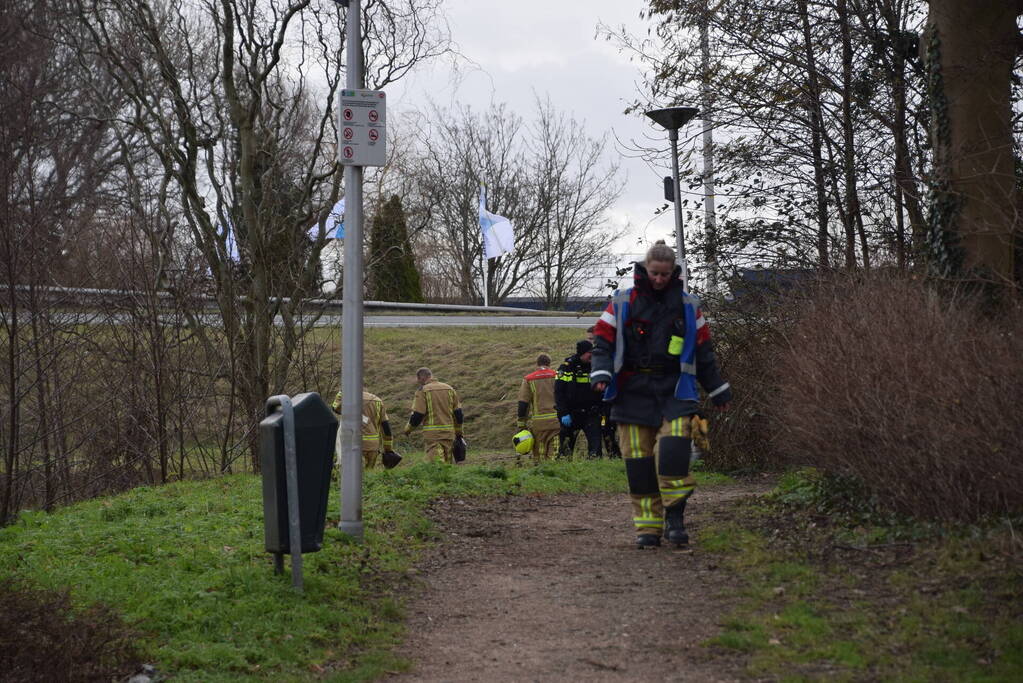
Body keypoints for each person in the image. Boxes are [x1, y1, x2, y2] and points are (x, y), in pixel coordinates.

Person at [590, 240, 732, 549]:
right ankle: (648, 529)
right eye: (654, 273)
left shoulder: (689, 306)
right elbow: (602, 342)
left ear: (673, 273)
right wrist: (601, 373)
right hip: (632, 392)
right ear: (645, 269)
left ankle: (675, 519)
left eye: (665, 274)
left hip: (676, 391)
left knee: (674, 456)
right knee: (638, 464)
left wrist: (718, 388)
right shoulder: (621, 302)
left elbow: (704, 352)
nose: (659, 280)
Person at [402, 367, 464, 464]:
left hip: (433, 435)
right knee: (447, 465)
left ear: (421, 378)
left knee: (435, 465)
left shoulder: (423, 390)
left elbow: (418, 415)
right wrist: (459, 433)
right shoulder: (449, 389)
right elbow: (458, 414)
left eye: (418, 380)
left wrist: (408, 429)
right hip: (449, 434)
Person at [555, 340, 603, 459]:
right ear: (582, 353)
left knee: (596, 451)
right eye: (589, 353)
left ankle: (596, 472)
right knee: (565, 451)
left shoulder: (596, 367)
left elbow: (602, 391)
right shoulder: (566, 368)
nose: (592, 356)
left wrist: (601, 410)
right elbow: (559, 393)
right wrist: (563, 413)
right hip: (571, 415)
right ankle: (565, 474)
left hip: (591, 414)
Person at [331, 389, 394, 469]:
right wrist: (388, 449)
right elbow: (386, 428)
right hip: (372, 447)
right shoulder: (377, 401)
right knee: (368, 476)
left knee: (352, 476)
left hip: (353, 446)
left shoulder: (349, 400)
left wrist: (342, 391)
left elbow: (335, 408)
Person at [516, 353, 559, 464]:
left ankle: (540, 473)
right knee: (554, 452)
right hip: (556, 422)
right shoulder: (557, 376)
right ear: (549, 363)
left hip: (538, 424)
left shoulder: (529, 379)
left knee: (540, 453)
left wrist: (522, 424)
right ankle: (555, 473)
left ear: (537, 364)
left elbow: (523, 404)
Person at [589, 325, 621, 459]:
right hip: (602, 404)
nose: (590, 342)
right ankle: (614, 455)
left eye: (592, 339)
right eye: (589, 339)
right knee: (607, 431)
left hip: (615, 400)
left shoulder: (607, 356)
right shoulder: (590, 359)